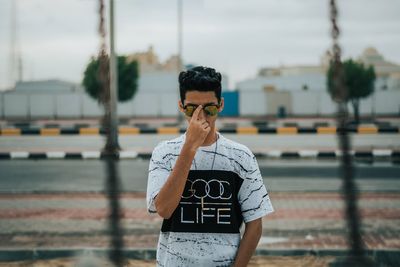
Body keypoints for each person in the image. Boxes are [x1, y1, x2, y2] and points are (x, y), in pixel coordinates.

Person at [146, 66, 274, 267]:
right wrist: (189, 147)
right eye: (191, 109)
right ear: (181, 106)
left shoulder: (241, 156)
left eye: (209, 108)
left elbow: (255, 223)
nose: (201, 116)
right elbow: (163, 209)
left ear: (221, 105)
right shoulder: (164, 153)